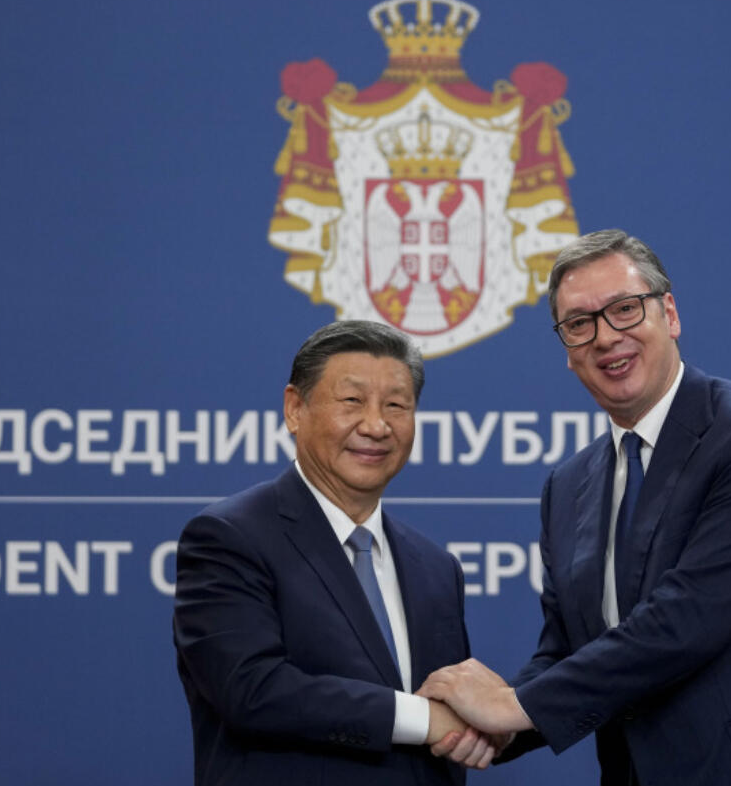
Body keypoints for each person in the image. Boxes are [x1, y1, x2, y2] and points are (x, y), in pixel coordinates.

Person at [420, 230, 731, 785]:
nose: (605, 337)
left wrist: (512, 706)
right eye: (579, 324)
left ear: (668, 313)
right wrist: (495, 729)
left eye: (624, 309)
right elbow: (569, 651)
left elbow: (685, 618)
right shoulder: (567, 486)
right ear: (567, 352)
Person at [173, 320, 495, 786]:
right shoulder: (229, 537)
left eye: (396, 405)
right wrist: (423, 718)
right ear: (294, 409)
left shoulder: (436, 568)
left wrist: (490, 718)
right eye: (352, 401)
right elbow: (251, 689)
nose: (376, 425)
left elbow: (453, 727)